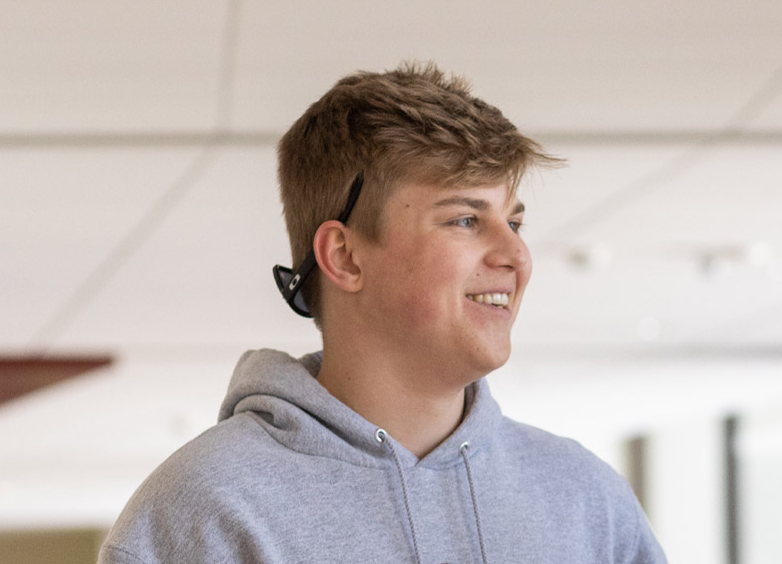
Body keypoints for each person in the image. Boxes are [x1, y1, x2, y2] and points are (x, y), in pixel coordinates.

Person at [101, 64, 666, 564]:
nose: (517, 255)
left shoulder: (587, 500)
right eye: (465, 220)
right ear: (344, 257)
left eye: (514, 223)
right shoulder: (205, 512)